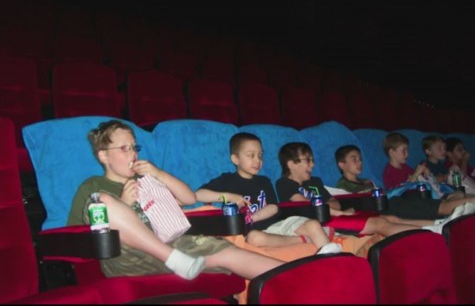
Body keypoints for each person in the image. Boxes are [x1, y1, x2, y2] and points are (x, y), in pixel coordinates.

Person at [67, 119, 284, 281]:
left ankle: (307, 275)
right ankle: (174, 259)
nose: (133, 154)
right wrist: (124, 205)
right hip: (130, 255)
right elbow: (77, 235)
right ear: (103, 155)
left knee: (231, 253)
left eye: (134, 147)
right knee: (101, 201)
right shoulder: (93, 186)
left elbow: (188, 198)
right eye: (124, 148)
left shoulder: (146, 179)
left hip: (175, 243)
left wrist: (158, 174)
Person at [195, 132, 342, 255]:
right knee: (254, 238)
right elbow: (198, 194)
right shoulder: (226, 180)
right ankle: (305, 240)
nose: (257, 160)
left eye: (260, 155)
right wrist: (227, 196)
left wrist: (254, 216)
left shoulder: (264, 181)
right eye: (251, 155)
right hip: (258, 234)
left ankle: (334, 258)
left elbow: (274, 207)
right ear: (235, 159)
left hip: (277, 226)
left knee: (313, 224)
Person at [275, 142, 461, 237]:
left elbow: (332, 200)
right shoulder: (284, 183)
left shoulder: (314, 181)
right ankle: (432, 232)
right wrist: (338, 213)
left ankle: (438, 225)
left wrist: (337, 209)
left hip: (334, 215)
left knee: (389, 218)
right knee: (380, 224)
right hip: (319, 222)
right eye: (307, 160)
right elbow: (301, 203)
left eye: (312, 159)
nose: (313, 164)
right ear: (291, 164)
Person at [382, 132, 475, 218]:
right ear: (392, 152)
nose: (407, 154)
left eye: (407, 150)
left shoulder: (406, 167)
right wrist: (416, 174)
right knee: (457, 196)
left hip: (430, 194)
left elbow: (420, 180)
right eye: (404, 150)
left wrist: (427, 174)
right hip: (416, 201)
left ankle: (455, 208)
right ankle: (452, 208)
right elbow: (399, 191)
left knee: (459, 194)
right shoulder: (389, 171)